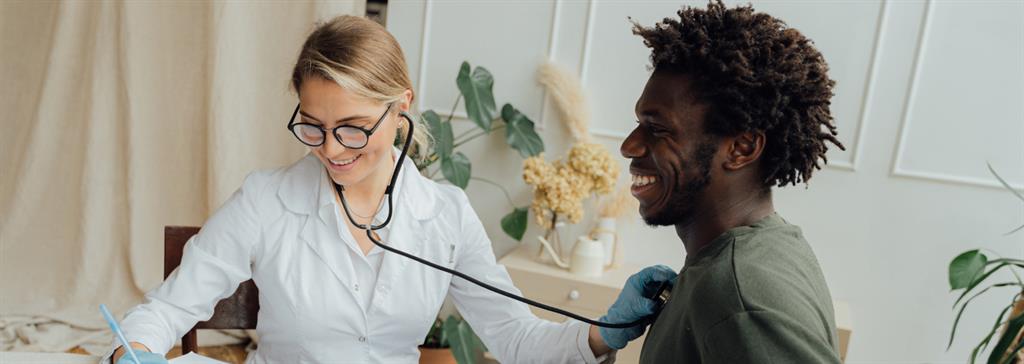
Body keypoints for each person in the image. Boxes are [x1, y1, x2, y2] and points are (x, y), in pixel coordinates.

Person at [107, 15, 674, 364]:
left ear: (400, 106)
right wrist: (131, 352)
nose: (331, 148)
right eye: (313, 126)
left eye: (353, 127)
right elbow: (166, 308)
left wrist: (603, 335)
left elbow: (516, 338)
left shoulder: (445, 215)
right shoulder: (265, 200)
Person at [619, 1, 845, 363]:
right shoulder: (766, 246)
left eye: (657, 129)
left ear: (741, 148)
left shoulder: (740, 299)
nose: (629, 145)